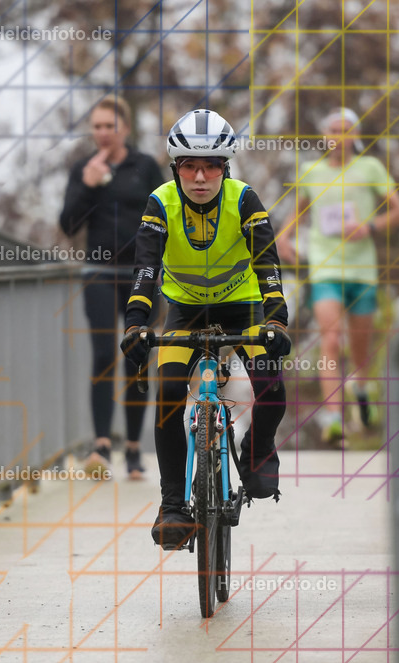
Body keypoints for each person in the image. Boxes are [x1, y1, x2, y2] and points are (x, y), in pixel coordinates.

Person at [119, 109, 292, 547]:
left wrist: (276, 319)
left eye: (211, 165)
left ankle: (255, 453)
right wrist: (136, 324)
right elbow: (145, 270)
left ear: (225, 167)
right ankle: (173, 504)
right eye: (189, 166)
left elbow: (267, 264)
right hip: (186, 310)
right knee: (168, 394)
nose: (200, 177)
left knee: (271, 386)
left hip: (244, 306)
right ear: (176, 168)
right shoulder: (161, 203)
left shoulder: (244, 199)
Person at [277, 107, 399, 442]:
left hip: (362, 271)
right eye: (333, 130)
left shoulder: (370, 168)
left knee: (361, 348)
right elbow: (298, 212)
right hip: (325, 267)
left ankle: (361, 388)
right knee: (331, 340)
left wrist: (369, 226)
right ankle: (333, 417)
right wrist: (284, 237)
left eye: (346, 130)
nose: (339, 136)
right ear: (325, 137)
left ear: (355, 136)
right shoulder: (311, 171)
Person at [59, 94, 165, 479]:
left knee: (137, 356)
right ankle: (102, 446)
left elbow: (166, 214)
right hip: (99, 272)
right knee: (104, 354)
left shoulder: (146, 167)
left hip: (141, 273)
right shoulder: (83, 169)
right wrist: (88, 186)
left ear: (125, 128)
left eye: (110, 125)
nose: (103, 133)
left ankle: (135, 450)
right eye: (97, 126)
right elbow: (69, 224)